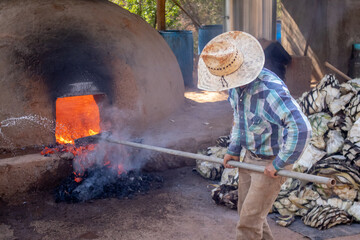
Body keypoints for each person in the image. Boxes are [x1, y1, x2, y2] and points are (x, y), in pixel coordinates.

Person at [197, 31, 312, 240]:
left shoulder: (269, 90)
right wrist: (233, 150)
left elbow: (301, 128)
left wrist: (280, 163)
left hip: (272, 161)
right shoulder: (235, 89)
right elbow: (240, 120)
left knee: (248, 224)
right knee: (248, 214)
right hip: (250, 157)